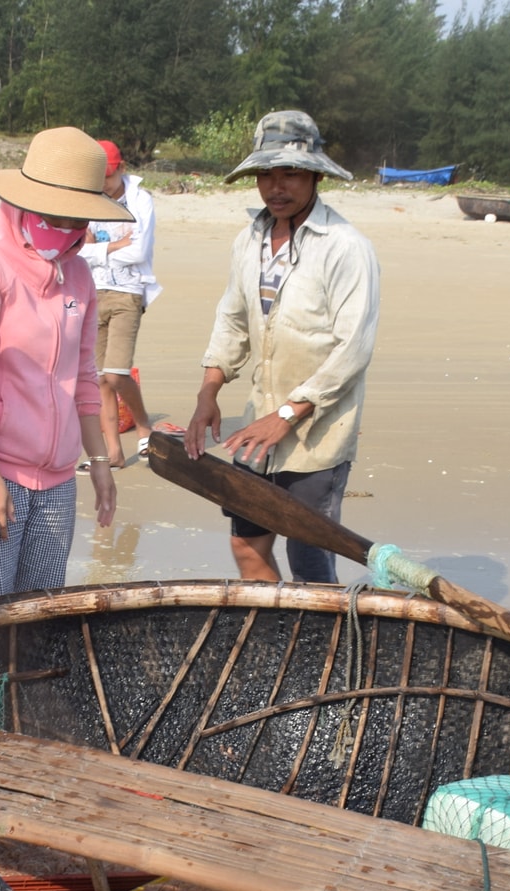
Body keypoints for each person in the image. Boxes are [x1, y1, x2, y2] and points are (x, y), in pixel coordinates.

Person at [185, 110, 381, 584]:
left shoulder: (344, 246)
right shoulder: (249, 241)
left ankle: (323, 654)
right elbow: (232, 320)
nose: (276, 186)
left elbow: (352, 349)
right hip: (258, 427)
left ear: (314, 174)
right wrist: (208, 391)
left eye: (290, 173)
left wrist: (288, 414)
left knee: (310, 556)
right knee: (246, 542)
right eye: (266, 175)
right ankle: (278, 640)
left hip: (318, 435)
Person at [0, 126, 128, 604]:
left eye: (75, 218)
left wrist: (100, 461)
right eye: (52, 214)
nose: (64, 227)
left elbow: (84, 377)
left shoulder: (80, 274)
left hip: (59, 484)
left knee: (39, 621)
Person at [80, 139, 161, 467]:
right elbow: (77, 250)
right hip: (93, 291)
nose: (102, 183)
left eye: (108, 176)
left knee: (116, 373)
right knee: (98, 377)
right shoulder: (87, 199)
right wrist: (114, 246)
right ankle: (112, 451)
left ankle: (144, 427)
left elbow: (139, 252)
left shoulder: (141, 200)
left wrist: (96, 248)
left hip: (129, 291)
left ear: (122, 168)